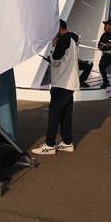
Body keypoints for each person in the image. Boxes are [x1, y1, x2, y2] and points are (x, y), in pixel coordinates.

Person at [32, 20, 80, 155]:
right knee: (66, 114)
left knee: (54, 114)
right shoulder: (73, 39)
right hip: (69, 82)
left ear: (59, 28)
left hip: (62, 83)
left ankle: (50, 144)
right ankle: (67, 142)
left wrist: (53, 47)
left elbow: (56, 59)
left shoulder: (63, 40)